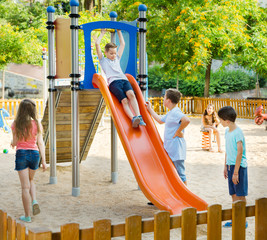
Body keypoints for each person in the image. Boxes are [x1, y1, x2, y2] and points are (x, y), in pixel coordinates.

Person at [94, 29, 146, 128]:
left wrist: (119, 31)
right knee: (124, 101)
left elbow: (123, 44)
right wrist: (102, 33)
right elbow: (97, 44)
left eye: (114, 53)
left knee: (131, 95)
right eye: (111, 53)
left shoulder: (117, 58)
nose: (114, 55)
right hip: (114, 83)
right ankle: (133, 118)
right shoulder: (103, 60)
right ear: (105, 53)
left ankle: (139, 116)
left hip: (124, 80)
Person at [11, 99, 47, 223]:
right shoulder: (37, 123)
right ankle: (34, 200)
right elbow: (40, 143)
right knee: (31, 180)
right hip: (35, 155)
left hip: (21, 154)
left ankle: (27, 216)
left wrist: (12, 143)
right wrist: (44, 161)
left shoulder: (16, 124)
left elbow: (15, 142)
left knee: (24, 187)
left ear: (20, 110)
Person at [146, 88, 190, 185]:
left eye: (164, 97)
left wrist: (178, 131)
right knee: (172, 173)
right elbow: (160, 120)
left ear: (169, 100)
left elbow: (186, 120)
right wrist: (150, 109)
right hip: (171, 148)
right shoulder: (171, 112)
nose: (163, 99)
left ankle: (186, 195)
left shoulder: (176, 112)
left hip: (177, 149)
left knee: (180, 174)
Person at [217, 106, 248, 228]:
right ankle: (236, 219)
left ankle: (243, 221)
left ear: (227, 121)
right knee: (233, 194)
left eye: (221, 120)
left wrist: (235, 172)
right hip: (230, 166)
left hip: (239, 168)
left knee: (240, 194)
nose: (220, 121)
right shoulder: (226, 131)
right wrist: (225, 166)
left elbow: (240, 152)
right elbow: (228, 151)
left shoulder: (238, 132)